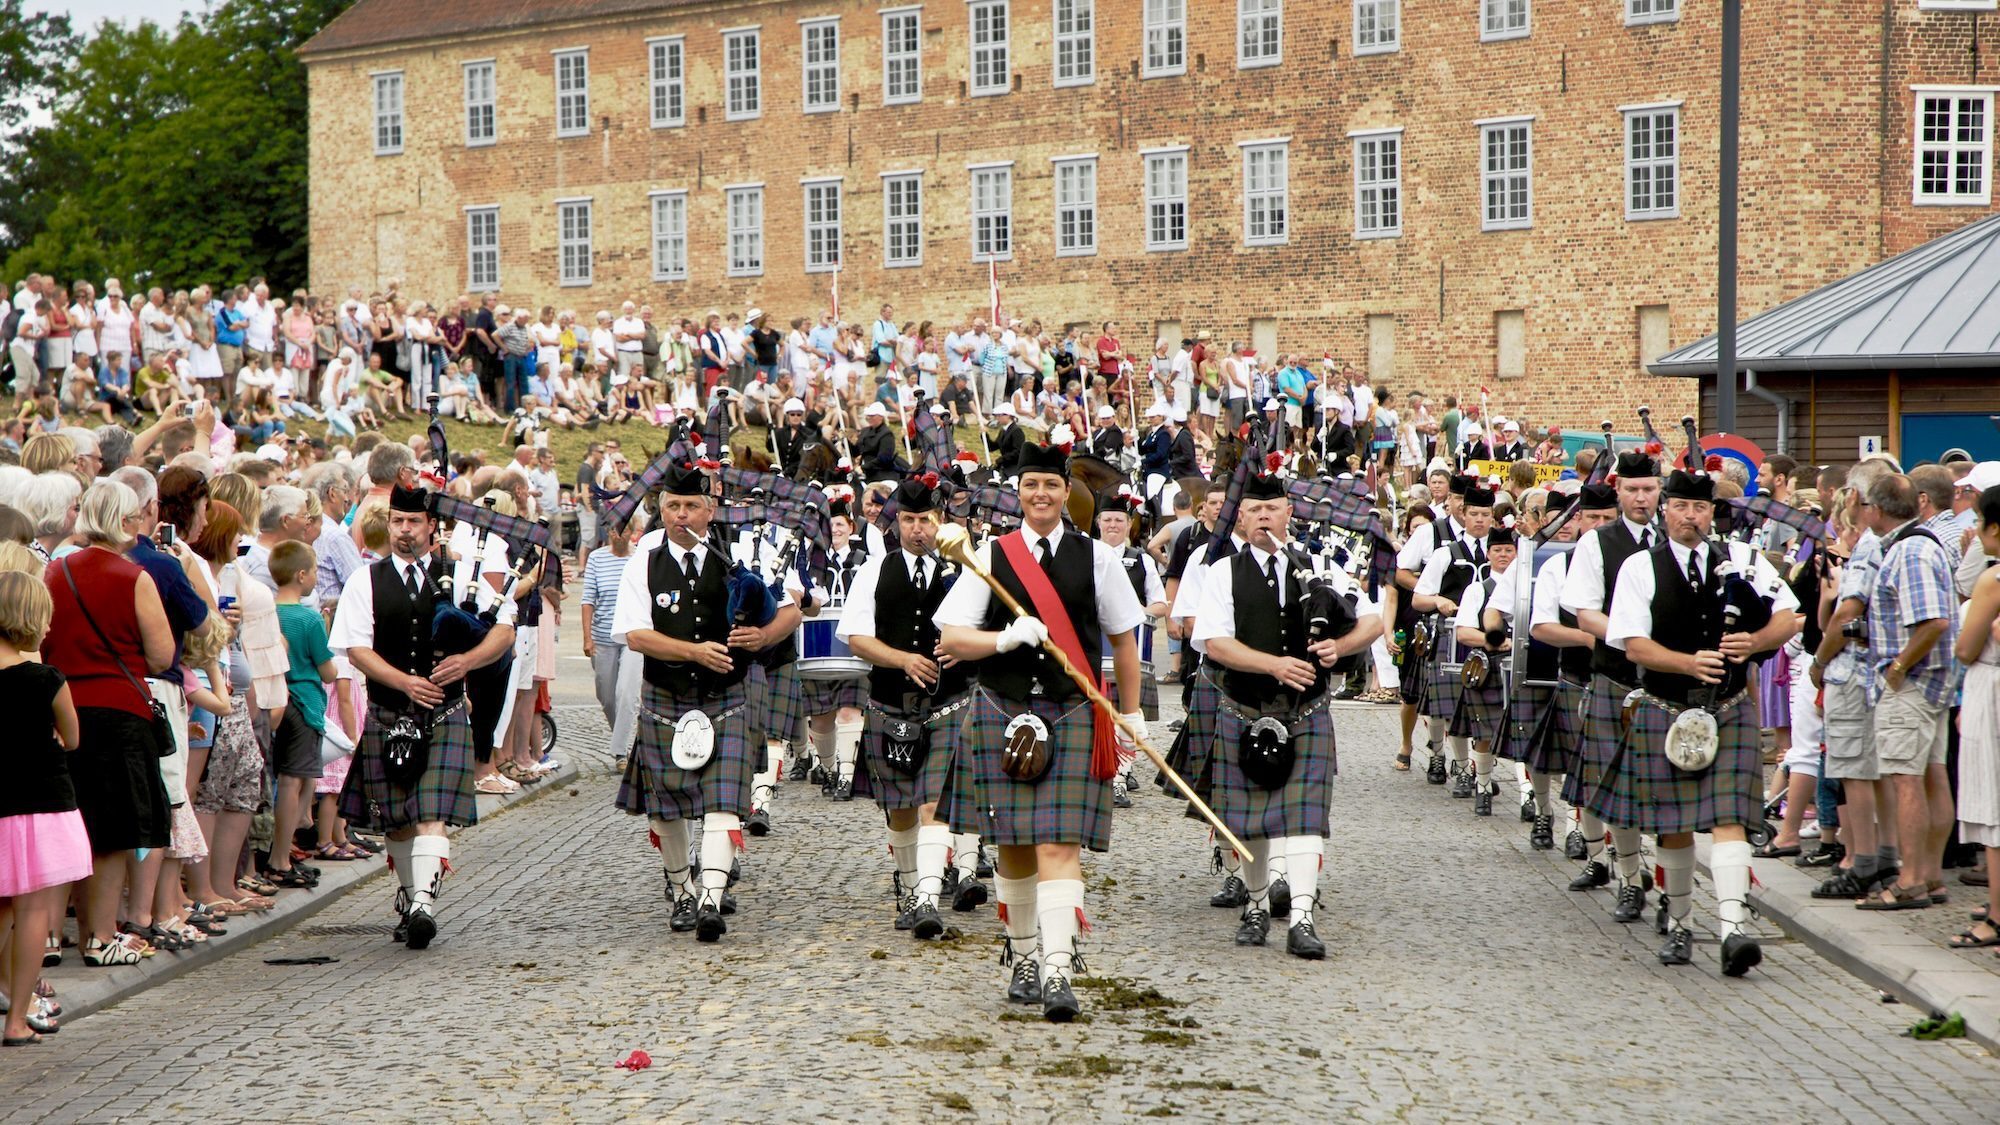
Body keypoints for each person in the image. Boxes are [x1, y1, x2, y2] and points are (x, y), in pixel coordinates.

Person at [936, 441, 1146, 1022]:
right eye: (1031, 486)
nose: (1041, 495)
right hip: (1003, 711)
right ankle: (1023, 956)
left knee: (1058, 844)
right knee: (1013, 849)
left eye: (1051, 486)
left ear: (1066, 494)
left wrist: (1130, 713)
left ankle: (1057, 970)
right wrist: (1002, 640)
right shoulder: (991, 555)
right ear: (1018, 493)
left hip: (1073, 711)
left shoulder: (1098, 557)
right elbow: (953, 637)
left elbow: (1126, 639)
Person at [1603, 467, 1798, 974]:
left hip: (1729, 706)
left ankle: (1733, 929)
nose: (1691, 517)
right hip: (1667, 706)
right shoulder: (1639, 568)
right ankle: (1683, 923)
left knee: (1730, 818)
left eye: (1701, 509)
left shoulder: (1742, 561)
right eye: (1683, 508)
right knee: (1674, 827)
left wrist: (1756, 643)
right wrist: (1688, 662)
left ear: (1712, 513)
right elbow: (1632, 643)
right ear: (1666, 509)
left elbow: (1788, 615)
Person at [1196, 465, 1381, 959]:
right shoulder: (1221, 573)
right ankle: (1257, 906)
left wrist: (1338, 648)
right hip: (1244, 706)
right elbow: (1215, 642)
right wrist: (1274, 665)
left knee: (1302, 820)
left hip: (1307, 708)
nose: (1262, 517)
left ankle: (1301, 918)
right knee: (1250, 820)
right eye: (1253, 509)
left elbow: (1374, 620)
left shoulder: (1320, 565)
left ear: (1288, 512)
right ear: (1239, 518)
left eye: (1271, 508)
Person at [612, 461, 800, 941]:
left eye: (691, 506)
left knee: (723, 801)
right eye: (672, 506)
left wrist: (762, 636)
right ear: (660, 509)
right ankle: (682, 893)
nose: (681, 516)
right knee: (665, 808)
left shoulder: (737, 554)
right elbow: (635, 636)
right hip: (666, 696)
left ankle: (711, 898)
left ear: (710, 509)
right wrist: (693, 651)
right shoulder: (645, 560)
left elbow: (791, 608)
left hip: (728, 695)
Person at [329, 485, 519, 950]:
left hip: (446, 711)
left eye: (413, 522)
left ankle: (422, 909)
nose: (404, 531)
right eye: (397, 522)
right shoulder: (364, 581)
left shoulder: (460, 576)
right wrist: (403, 681)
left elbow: (505, 629)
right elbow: (356, 649)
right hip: (389, 711)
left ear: (432, 527)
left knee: (432, 814)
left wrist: (468, 662)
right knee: (396, 820)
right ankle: (411, 896)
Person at [838, 477, 988, 938]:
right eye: (909, 519)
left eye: (925, 520)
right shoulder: (874, 571)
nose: (917, 529)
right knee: (900, 810)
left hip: (950, 703)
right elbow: (856, 636)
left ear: (940, 521)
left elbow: (989, 629)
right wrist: (902, 658)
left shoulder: (965, 569)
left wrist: (967, 648)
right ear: (896, 522)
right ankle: (908, 889)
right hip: (890, 704)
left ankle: (926, 895)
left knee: (933, 804)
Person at [41, 481, 175, 968]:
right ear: (124, 520)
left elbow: (43, 640)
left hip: (63, 708)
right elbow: (161, 655)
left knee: (66, 824)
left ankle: (49, 936)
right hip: (120, 711)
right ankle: (98, 936)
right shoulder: (133, 576)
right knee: (113, 832)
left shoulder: (54, 572)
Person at [1557, 450, 1661, 902]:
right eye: (1633, 490)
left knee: (1664, 786)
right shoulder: (1596, 544)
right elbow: (1584, 615)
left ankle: (1665, 881)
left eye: (1649, 489)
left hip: (1672, 682)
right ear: (1619, 492)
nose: (1641, 498)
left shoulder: (1674, 539)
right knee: (1616, 783)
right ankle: (1630, 877)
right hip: (1616, 677)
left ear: (1661, 491)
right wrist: (1637, 641)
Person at [0, 571, 85, 1045]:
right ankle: (16, 1020)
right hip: (39, 801)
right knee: (32, 912)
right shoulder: (44, 679)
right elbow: (71, 737)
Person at [267, 542, 336, 890]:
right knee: (294, 781)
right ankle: (281, 857)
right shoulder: (309, 618)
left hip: (277, 701)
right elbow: (327, 671)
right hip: (305, 702)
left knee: (285, 778)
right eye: (312, 572)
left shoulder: (268, 612)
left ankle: (283, 852)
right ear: (301, 575)